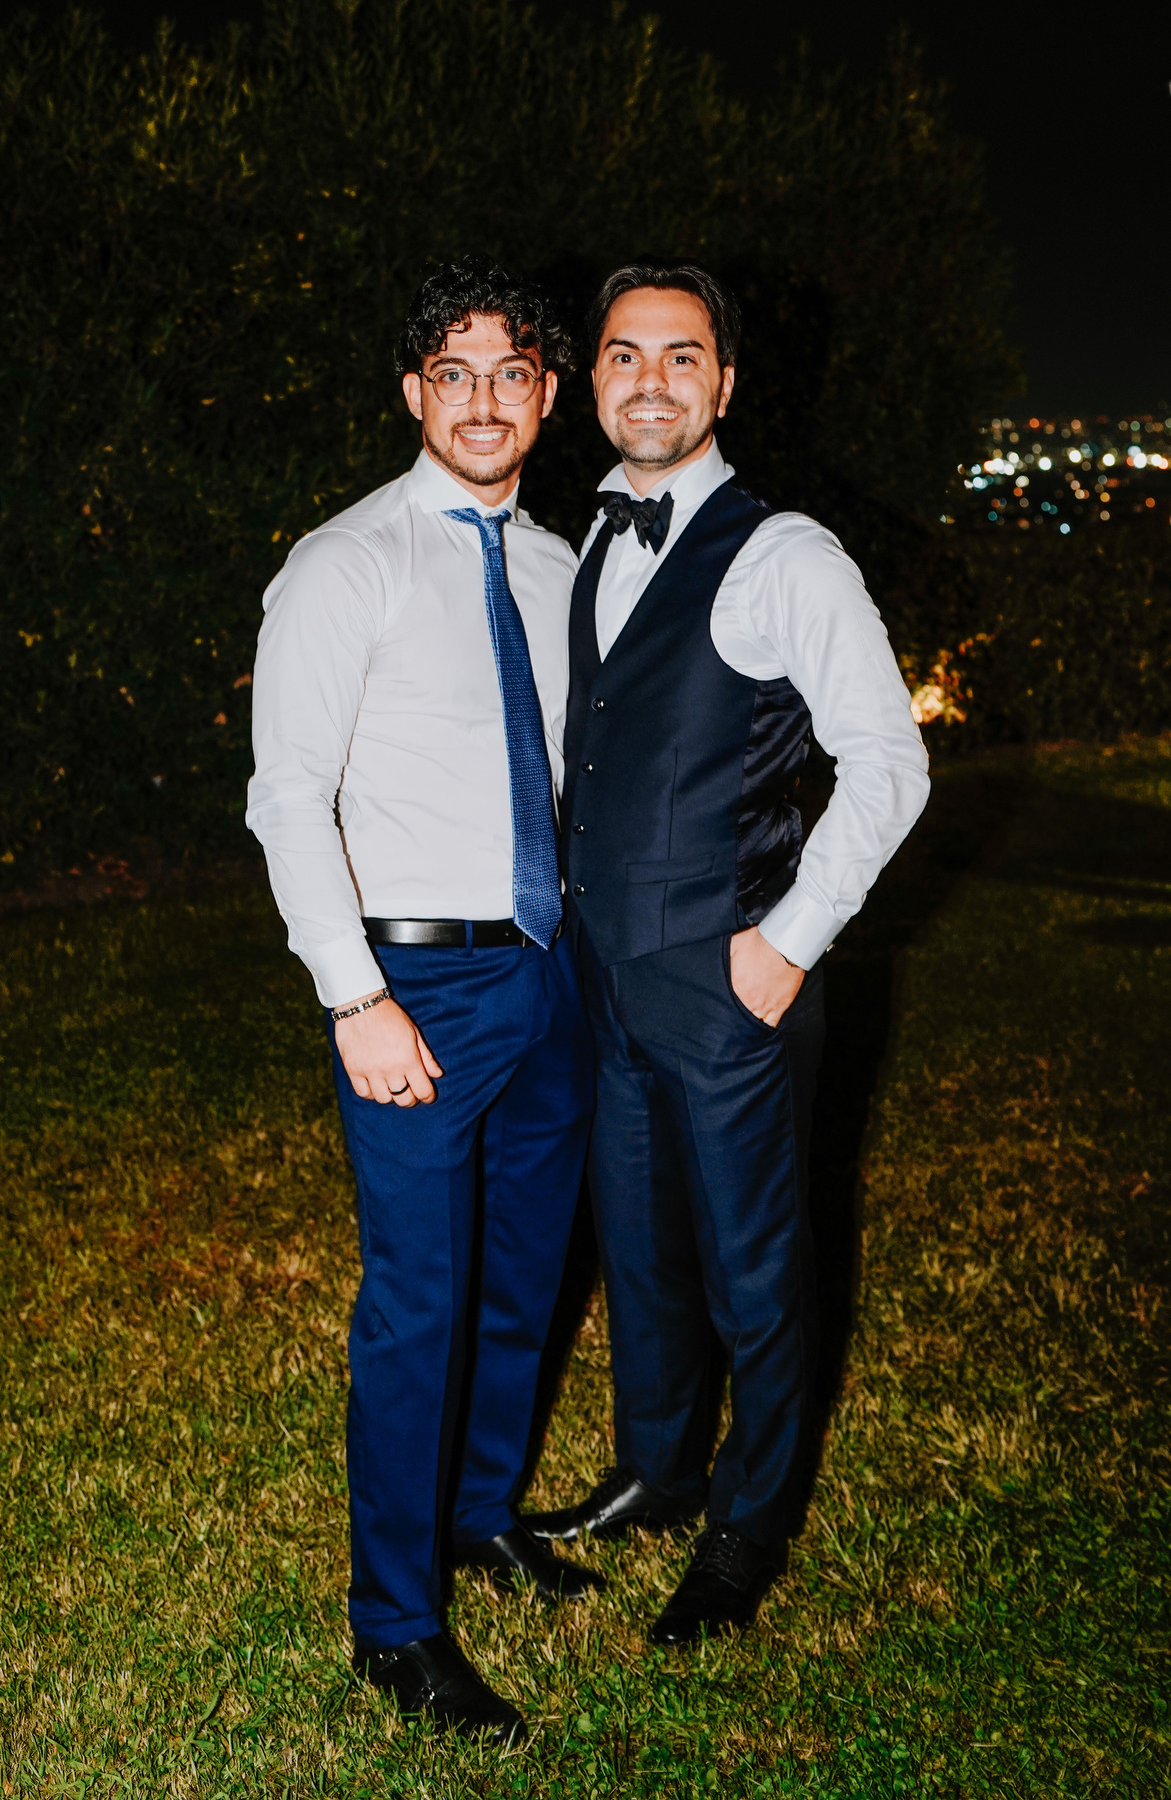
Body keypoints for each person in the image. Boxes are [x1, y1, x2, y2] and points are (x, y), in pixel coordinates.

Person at [524, 261, 930, 1644]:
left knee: (757, 1268)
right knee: (640, 1247)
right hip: (608, 977)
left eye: (681, 355)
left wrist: (786, 944)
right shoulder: (590, 540)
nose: (651, 380)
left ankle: (750, 1525)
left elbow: (889, 765)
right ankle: (660, 1468)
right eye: (624, 355)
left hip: (726, 978)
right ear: (591, 380)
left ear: (726, 382)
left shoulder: (785, 554)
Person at [246, 256, 599, 1747]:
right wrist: (356, 997)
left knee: (525, 1274)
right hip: (416, 982)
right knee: (419, 1302)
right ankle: (395, 1621)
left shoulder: (562, 570)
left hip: (552, 967)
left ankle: (480, 1515)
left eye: (511, 373)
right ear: (413, 393)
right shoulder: (346, 563)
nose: (483, 402)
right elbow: (287, 795)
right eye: (454, 375)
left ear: (547, 394)